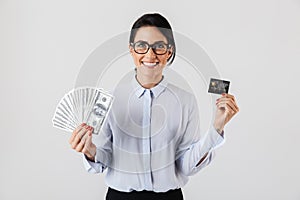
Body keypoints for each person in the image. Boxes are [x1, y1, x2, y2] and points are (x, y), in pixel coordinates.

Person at [69, 13, 239, 200]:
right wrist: (89, 150)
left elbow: (186, 167)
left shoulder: (185, 100)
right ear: (131, 50)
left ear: (169, 51)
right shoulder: (105, 100)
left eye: (159, 46)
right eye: (142, 46)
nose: (150, 55)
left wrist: (216, 128)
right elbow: (103, 159)